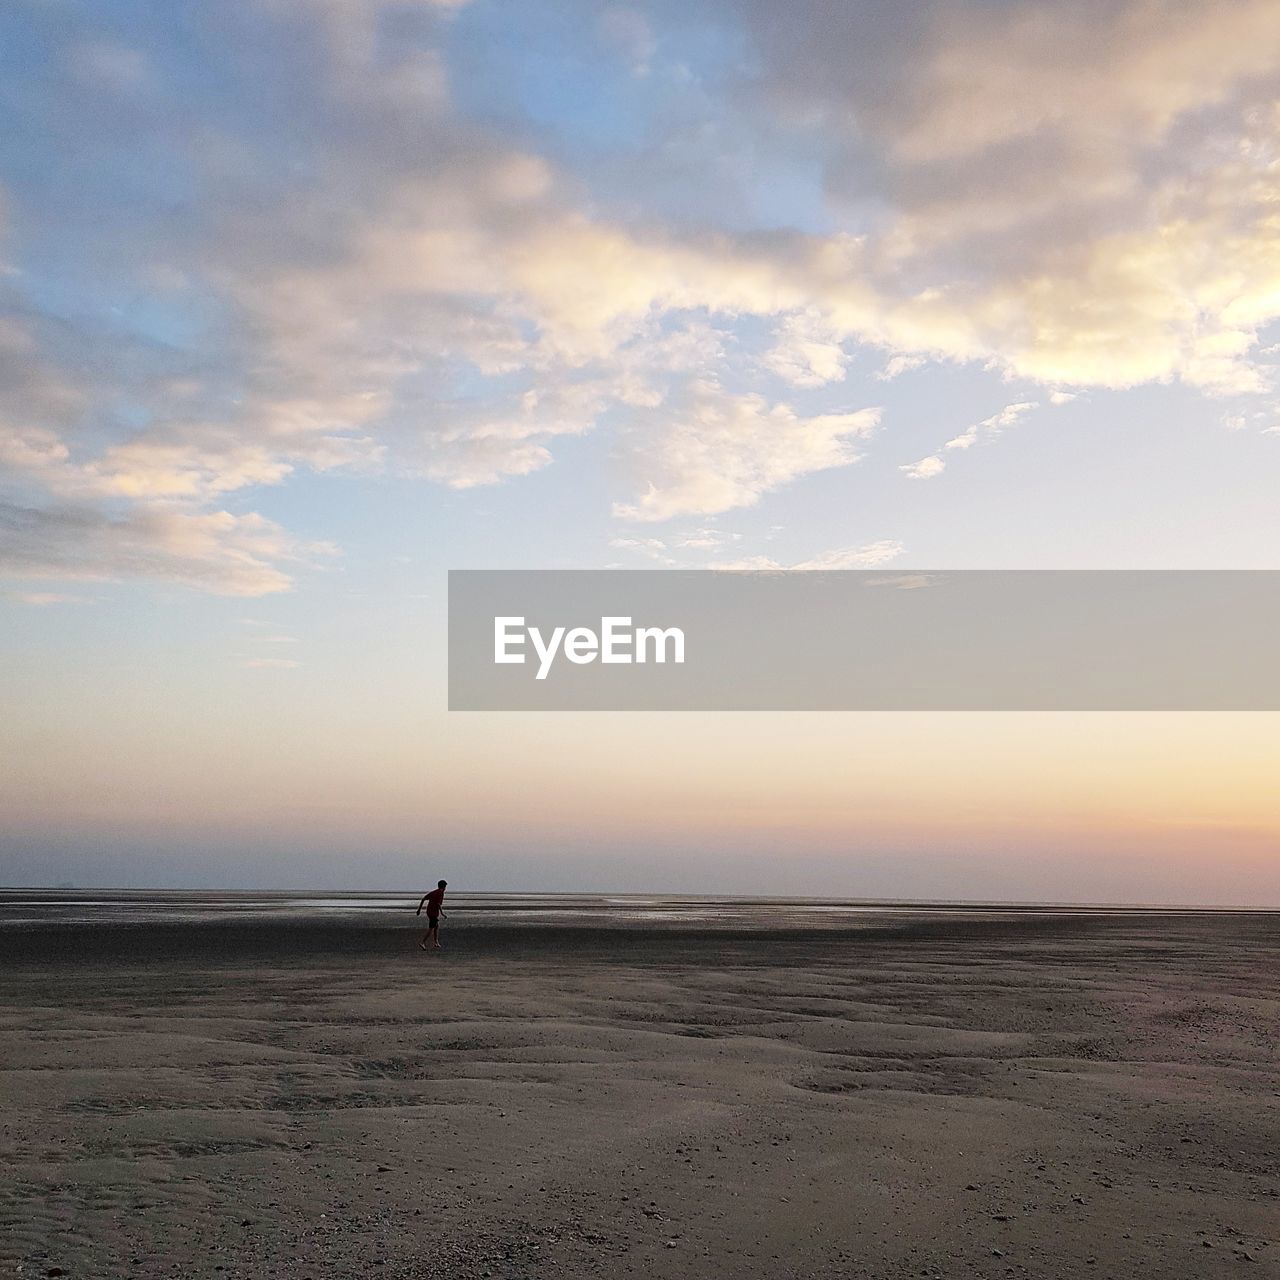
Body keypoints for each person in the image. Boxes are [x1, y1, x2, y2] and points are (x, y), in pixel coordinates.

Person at [416, 880, 447, 950]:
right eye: (445, 887)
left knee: (436, 926)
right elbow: (438, 904)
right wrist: (442, 913)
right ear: (444, 887)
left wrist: (419, 910)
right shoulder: (440, 892)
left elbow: (423, 899)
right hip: (433, 913)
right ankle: (423, 942)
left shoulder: (434, 892)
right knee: (431, 928)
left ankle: (436, 942)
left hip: (429, 912)